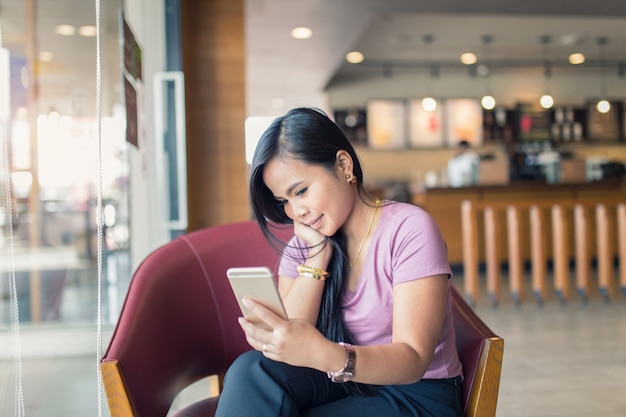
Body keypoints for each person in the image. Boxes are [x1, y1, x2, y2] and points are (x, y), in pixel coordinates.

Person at [215, 107, 463, 417]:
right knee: (251, 370)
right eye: (284, 202)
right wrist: (318, 255)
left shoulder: (409, 229)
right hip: (344, 379)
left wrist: (328, 355)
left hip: (416, 394)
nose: (296, 212)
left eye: (301, 191)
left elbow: (413, 360)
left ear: (344, 166)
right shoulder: (307, 242)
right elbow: (291, 339)